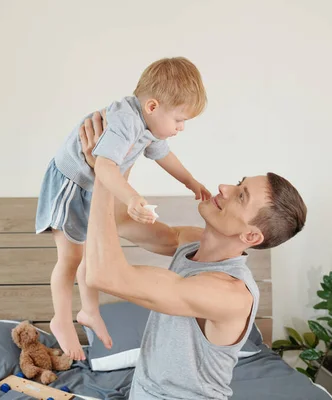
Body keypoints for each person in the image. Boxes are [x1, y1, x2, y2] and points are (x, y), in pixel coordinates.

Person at [80, 111, 307, 399]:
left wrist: (104, 169)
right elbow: (121, 220)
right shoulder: (191, 242)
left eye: (240, 196)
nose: (225, 187)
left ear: (251, 236)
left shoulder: (230, 294)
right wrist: (119, 154)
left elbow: (105, 275)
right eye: (238, 183)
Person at [35, 57, 211, 361]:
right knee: (70, 257)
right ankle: (60, 319)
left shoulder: (148, 125)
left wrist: (190, 181)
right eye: (180, 119)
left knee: (93, 254)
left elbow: (163, 155)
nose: (181, 128)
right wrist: (131, 198)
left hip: (91, 188)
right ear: (153, 107)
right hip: (70, 185)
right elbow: (104, 165)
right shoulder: (125, 120)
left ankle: (89, 311)